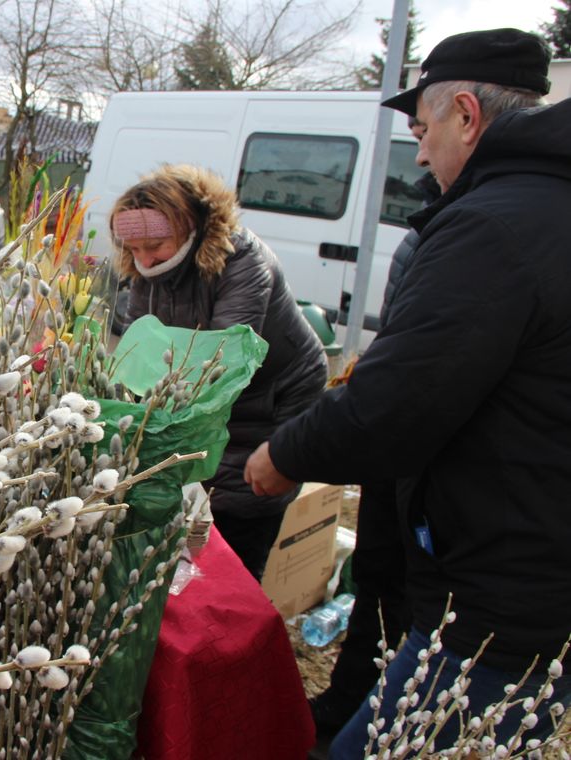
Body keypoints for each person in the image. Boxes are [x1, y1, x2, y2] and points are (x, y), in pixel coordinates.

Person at [244, 28, 571, 756]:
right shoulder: (547, 208)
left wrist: (285, 454)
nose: (418, 154)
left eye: (422, 131)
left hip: (502, 585)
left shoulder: (495, 225)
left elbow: (398, 400)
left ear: (466, 113)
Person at [112, 164, 327, 580]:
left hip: (269, 401)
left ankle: (239, 608)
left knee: (242, 515)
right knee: (193, 519)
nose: (143, 260)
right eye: (133, 249)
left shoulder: (243, 261)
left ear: (189, 228)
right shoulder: (147, 270)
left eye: (154, 245)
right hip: (207, 406)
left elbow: (223, 364)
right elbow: (139, 346)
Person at [308, 171, 439, 741]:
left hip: (435, 456)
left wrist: (300, 447)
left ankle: (379, 720)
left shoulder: (478, 226)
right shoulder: (435, 220)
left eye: (425, 126)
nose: (421, 150)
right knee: (377, 578)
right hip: (399, 452)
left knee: (412, 597)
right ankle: (346, 704)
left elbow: (428, 361)